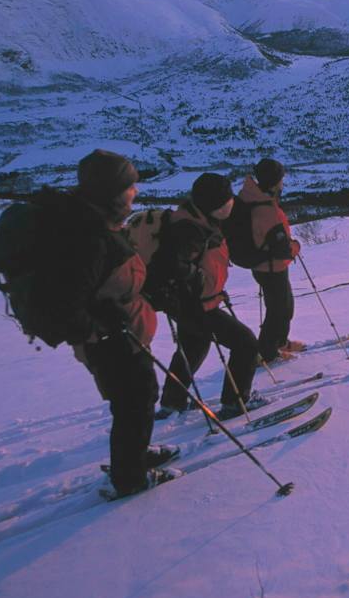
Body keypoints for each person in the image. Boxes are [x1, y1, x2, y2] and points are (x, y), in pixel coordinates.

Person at [65, 149, 178, 498]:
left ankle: (134, 455)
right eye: (129, 187)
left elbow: (112, 282)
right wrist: (104, 317)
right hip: (109, 339)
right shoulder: (88, 237)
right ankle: (130, 478)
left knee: (138, 398)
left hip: (121, 333)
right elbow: (73, 299)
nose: (135, 193)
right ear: (111, 193)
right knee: (134, 400)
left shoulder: (99, 224)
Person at [152, 173, 266, 420]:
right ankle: (235, 403)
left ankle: (173, 402)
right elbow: (174, 265)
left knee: (193, 348)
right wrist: (200, 281)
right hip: (197, 306)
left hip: (190, 305)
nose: (231, 203)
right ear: (215, 204)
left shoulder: (199, 220)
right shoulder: (190, 229)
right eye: (227, 201)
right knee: (246, 344)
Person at [238, 157, 303, 364]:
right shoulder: (266, 209)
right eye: (281, 179)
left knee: (283, 307)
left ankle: (279, 342)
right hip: (271, 266)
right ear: (275, 182)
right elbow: (282, 250)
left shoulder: (253, 197)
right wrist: (295, 247)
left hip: (264, 264)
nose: (283, 183)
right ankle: (268, 353)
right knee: (279, 311)